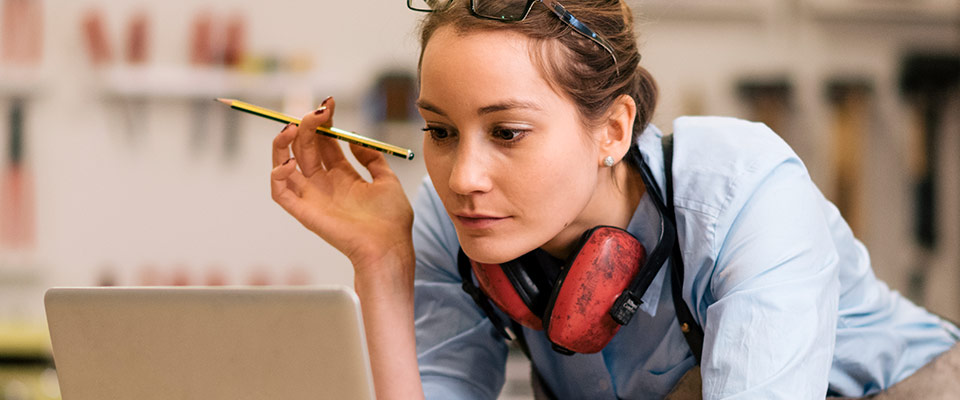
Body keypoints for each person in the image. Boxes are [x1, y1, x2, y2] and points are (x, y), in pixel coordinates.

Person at [268, 0, 960, 398]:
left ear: (613, 129)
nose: (462, 177)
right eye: (442, 131)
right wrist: (383, 266)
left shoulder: (741, 188)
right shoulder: (448, 224)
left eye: (507, 132)